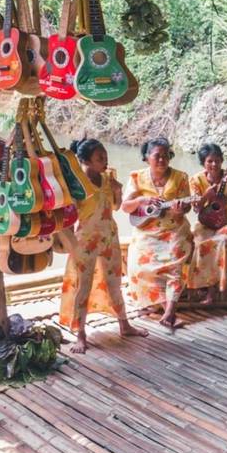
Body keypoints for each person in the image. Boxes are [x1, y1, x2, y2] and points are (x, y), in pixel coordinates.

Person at [58, 139, 148, 353]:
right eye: (100, 158)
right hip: (84, 240)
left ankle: (124, 324)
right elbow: (68, 215)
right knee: (83, 285)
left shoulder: (109, 179)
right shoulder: (77, 184)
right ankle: (80, 334)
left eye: (105, 157)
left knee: (114, 281)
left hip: (109, 237)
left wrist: (117, 191)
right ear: (85, 160)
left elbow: (115, 207)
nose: (105, 162)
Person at [122, 137, 193, 331]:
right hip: (146, 229)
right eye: (157, 156)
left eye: (166, 156)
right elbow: (125, 207)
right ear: (146, 157)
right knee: (138, 261)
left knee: (176, 262)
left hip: (174, 229)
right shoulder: (136, 177)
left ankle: (170, 310)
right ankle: (162, 306)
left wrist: (180, 210)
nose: (162, 160)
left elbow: (186, 207)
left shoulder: (181, 177)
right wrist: (143, 200)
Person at [188, 143, 227, 304]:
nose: (214, 165)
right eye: (209, 161)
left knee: (221, 242)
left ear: (222, 161)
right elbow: (196, 209)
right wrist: (206, 195)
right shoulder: (196, 179)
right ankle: (197, 286)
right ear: (203, 163)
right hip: (205, 221)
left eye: (217, 161)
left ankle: (213, 290)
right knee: (200, 242)